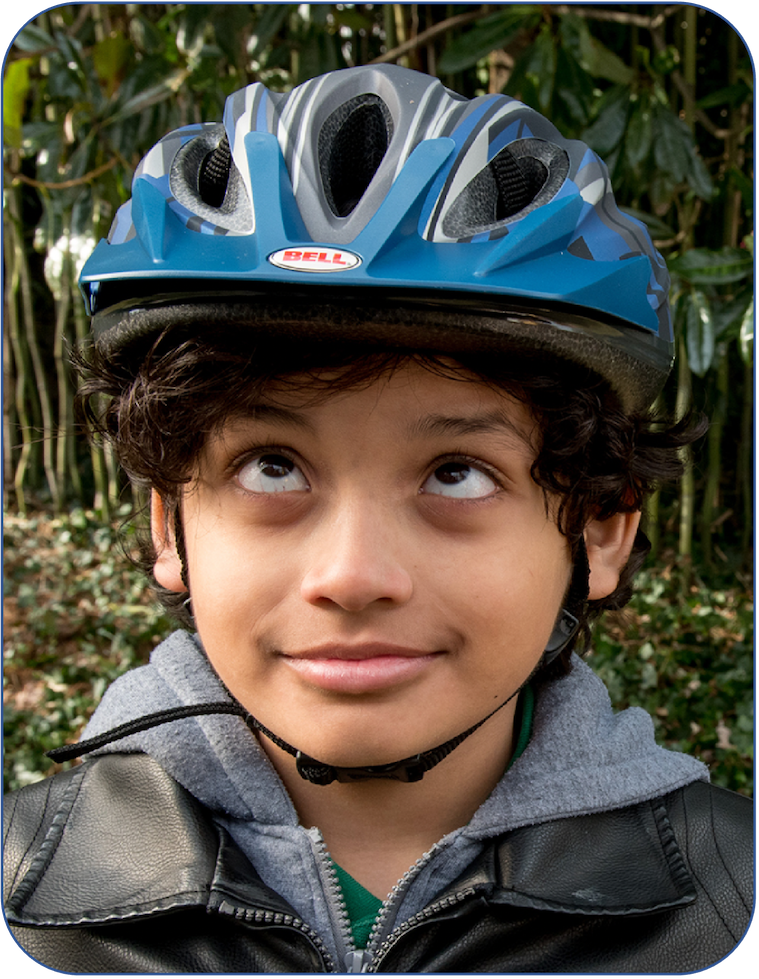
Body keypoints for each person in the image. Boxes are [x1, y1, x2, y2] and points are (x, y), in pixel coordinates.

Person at [4, 65, 752, 974]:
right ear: (172, 528)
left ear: (596, 531)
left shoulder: (729, 900)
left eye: (456, 473)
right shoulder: (25, 895)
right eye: (271, 468)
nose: (352, 576)